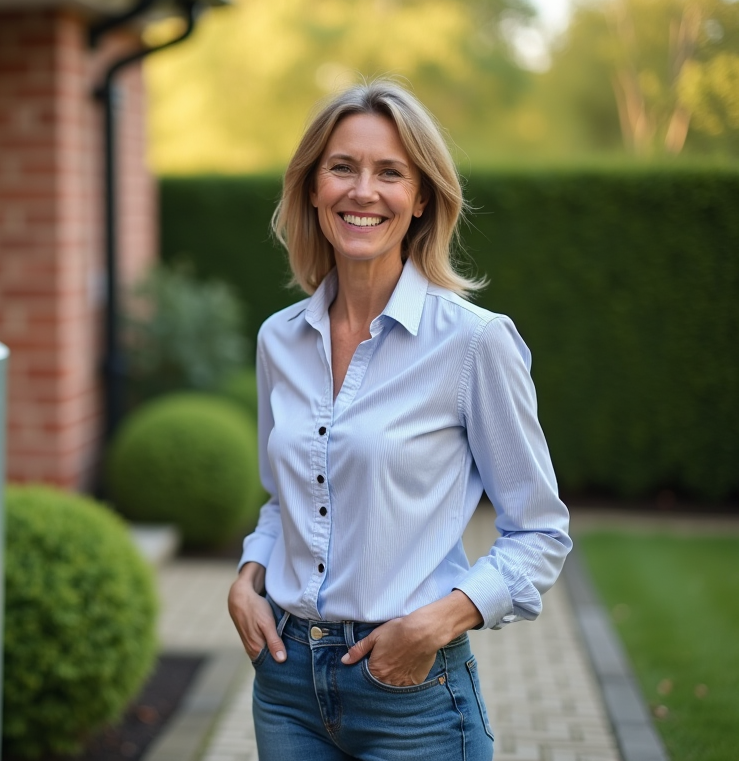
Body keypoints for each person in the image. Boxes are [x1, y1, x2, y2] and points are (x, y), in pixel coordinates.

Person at [227, 79, 572, 761]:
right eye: (342, 167)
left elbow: (539, 532)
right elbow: (285, 500)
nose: (363, 192)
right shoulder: (279, 339)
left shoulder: (474, 342)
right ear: (313, 189)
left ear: (421, 199)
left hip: (411, 692)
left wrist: (435, 625)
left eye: (390, 172)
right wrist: (247, 576)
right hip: (286, 685)